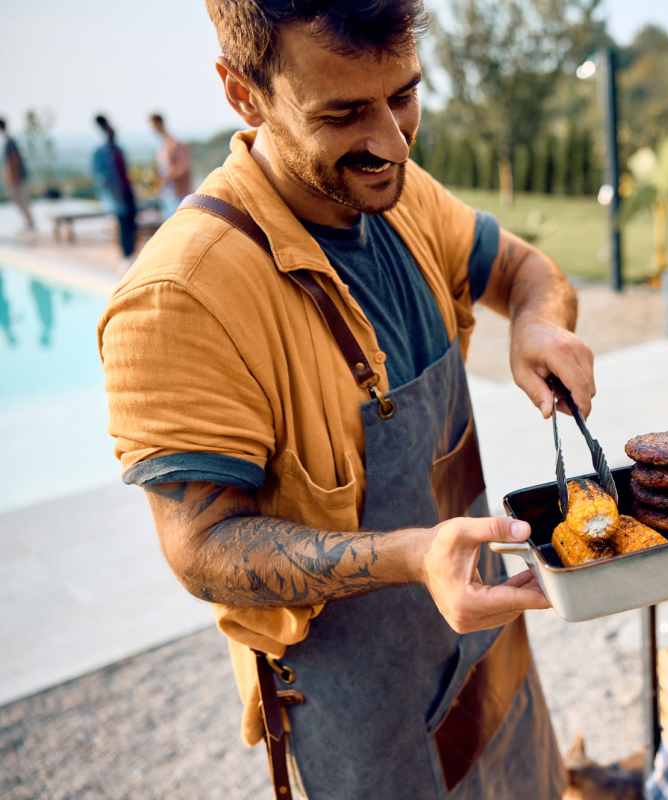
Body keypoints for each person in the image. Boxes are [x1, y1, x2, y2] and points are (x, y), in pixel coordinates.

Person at [97, 2, 595, 798]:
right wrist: (411, 557)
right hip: (363, 715)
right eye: (344, 114)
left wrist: (536, 324)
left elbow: (524, 271)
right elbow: (201, 547)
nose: (393, 144)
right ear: (243, 94)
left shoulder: (403, 196)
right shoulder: (179, 296)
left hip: (489, 654)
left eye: (403, 95)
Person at [90, 114, 138, 259]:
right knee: (122, 224)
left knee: (131, 222)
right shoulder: (100, 152)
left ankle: (131, 253)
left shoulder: (118, 150)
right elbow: (100, 176)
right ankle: (126, 255)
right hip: (116, 195)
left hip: (126, 191)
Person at [149, 112, 192, 217]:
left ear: (159, 123)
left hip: (177, 195)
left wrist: (166, 177)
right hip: (166, 195)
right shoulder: (162, 145)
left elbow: (183, 167)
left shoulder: (175, 143)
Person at [1, 116, 36, 234]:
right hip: (18, 178)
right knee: (21, 202)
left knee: (22, 202)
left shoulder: (9, 141)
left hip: (18, 178)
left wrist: (14, 179)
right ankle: (29, 224)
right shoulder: (9, 140)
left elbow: (14, 160)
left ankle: (30, 224)